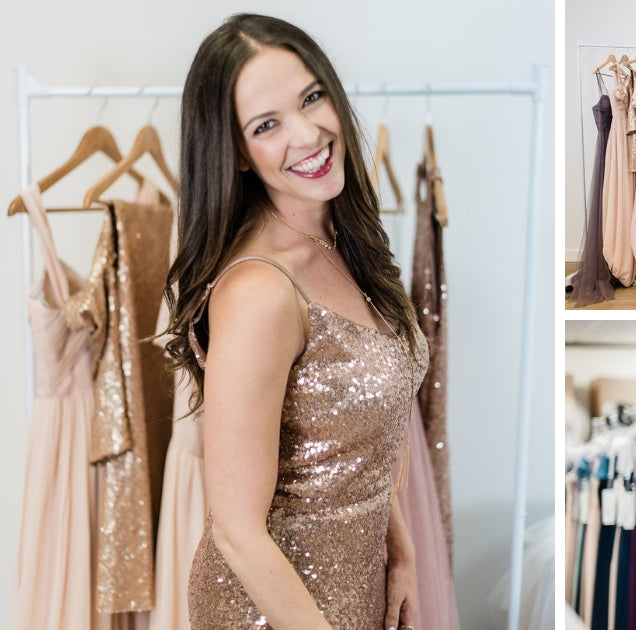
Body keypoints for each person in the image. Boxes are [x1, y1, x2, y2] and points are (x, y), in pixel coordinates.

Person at [162, 14, 427, 630]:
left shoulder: (343, 241)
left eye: (312, 96)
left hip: (354, 587)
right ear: (239, 155)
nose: (308, 132)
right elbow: (235, 529)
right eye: (266, 124)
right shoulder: (261, 290)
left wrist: (400, 544)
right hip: (274, 611)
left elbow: (351, 439)